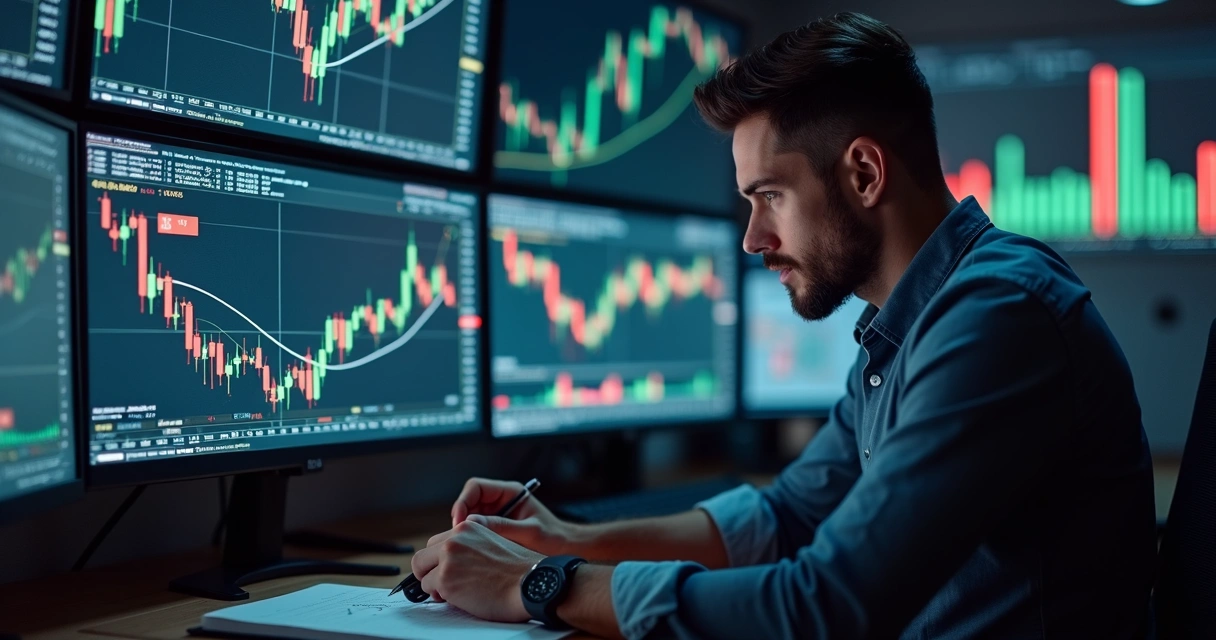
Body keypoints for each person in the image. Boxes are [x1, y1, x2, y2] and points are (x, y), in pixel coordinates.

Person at [408, 12, 1157, 639]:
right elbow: (786, 516)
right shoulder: (908, 326)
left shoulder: (998, 319)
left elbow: (827, 605)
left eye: (769, 195)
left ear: (864, 174)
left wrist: (545, 585)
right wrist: (562, 538)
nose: (752, 238)